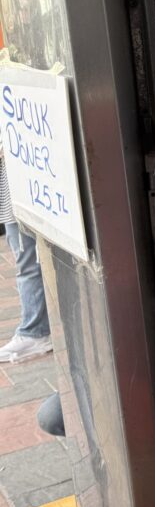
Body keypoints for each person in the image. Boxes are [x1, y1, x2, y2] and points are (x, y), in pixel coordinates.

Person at [0, 153, 52, 363]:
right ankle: (36, 329)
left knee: (27, 262)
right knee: (27, 259)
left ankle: (35, 332)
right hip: (21, 182)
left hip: (25, 179)